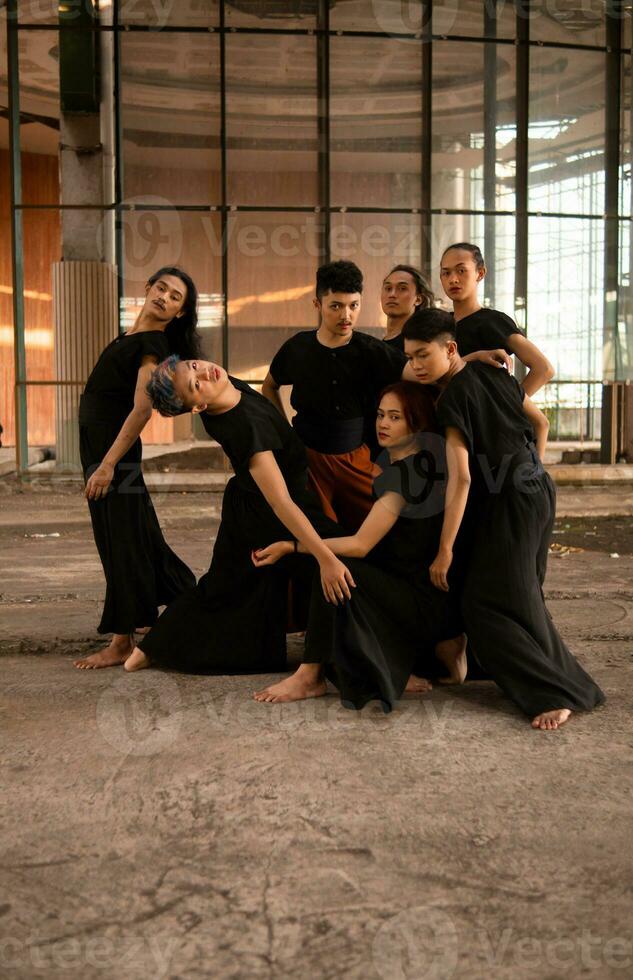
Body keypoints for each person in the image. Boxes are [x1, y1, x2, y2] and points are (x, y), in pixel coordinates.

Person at [402, 308, 605, 730]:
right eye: (411, 356)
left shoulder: (453, 398)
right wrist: (529, 471)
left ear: (450, 349)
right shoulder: (495, 373)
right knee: (523, 596)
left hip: (513, 499)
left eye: (423, 355)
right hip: (537, 489)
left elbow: (461, 477)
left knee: (484, 606)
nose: (415, 365)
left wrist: (444, 550)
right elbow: (540, 423)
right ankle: (571, 686)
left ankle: (551, 693)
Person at [123, 356, 354, 676]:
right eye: (195, 385)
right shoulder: (245, 425)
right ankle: (340, 665)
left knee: (225, 586)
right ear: (198, 407)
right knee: (347, 566)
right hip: (270, 512)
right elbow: (281, 503)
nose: (204, 372)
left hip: (245, 502)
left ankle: (150, 648)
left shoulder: (222, 384)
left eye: (193, 366)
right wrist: (326, 556)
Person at [251, 382, 466, 711]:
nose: (383, 424)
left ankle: (310, 675)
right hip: (435, 599)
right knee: (336, 565)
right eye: (381, 415)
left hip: (419, 601)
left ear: (417, 423)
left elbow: (361, 545)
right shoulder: (429, 463)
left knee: (333, 569)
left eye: (395, 417)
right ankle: (389, 667)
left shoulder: (403, 477)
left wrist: (293, 545)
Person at [73, 268, 199, 670]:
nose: (164, 297)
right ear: (147, 289)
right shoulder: (129, 335)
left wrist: (108, 464)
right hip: (101, 450)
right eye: (161, 288)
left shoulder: (151, 345)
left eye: (175, 296)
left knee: (121, 539)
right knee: (136, 532)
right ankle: (184, 597)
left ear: (180, 312)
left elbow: (143, 409)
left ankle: (123, 640)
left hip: (114, 455)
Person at [261, 260, 414, 531]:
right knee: (310, 531)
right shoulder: (298, 347)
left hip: (356, 460)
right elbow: (269, 386)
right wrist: (284, 433)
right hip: (306, 460)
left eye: (353, 305)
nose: (346, 315)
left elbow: (419, 374)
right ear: (317, 305)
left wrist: (469, 360)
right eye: (336, 306)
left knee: (374, 532)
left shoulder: (372, 350)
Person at [439, 242, 554, 395]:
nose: (453, 279)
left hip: (477, 415)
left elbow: (543, 368)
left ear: (480, 273)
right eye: (446, 273)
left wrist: (510, 407)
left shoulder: (492, 321)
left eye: (461, 270)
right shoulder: (439, 324)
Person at [381, 264, 435, 351]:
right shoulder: (380, 343)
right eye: (388, 288)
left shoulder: (419, 342)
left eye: (402, 288)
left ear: (418, 299)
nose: (392, 294)